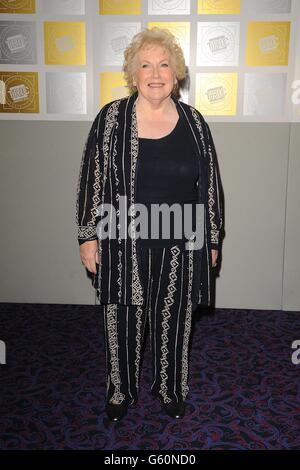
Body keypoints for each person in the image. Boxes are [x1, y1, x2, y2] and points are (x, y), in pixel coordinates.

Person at [76, 27, 223, 422]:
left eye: (164, 65)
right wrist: (88, 236)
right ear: (133, 73)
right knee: (121, 319)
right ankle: (120, 391)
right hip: (122, 236)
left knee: (176, 320)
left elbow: (208, 184)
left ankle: (171, 389)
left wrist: (211, 239)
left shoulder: (194, 122)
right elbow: (92, 178)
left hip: (181, 237)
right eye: (146, 65)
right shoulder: (111, 119)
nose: (155, 74)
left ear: (176, 75)